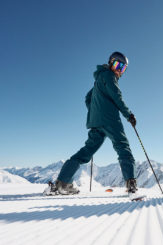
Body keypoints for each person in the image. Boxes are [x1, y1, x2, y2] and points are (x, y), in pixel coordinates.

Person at [47, 51, 138, 195]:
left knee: (86, 152)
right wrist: (129, 115)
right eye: (117, 65)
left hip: (96, 122)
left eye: (122, 67)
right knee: (123, 147)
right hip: (110, 119)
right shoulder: (109, 76)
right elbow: (117, 97)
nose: (119, 70)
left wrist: (95, 111)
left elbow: (87, 98)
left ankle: (62, 183)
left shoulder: (99, 80)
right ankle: (131, 184)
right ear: (110, 63)